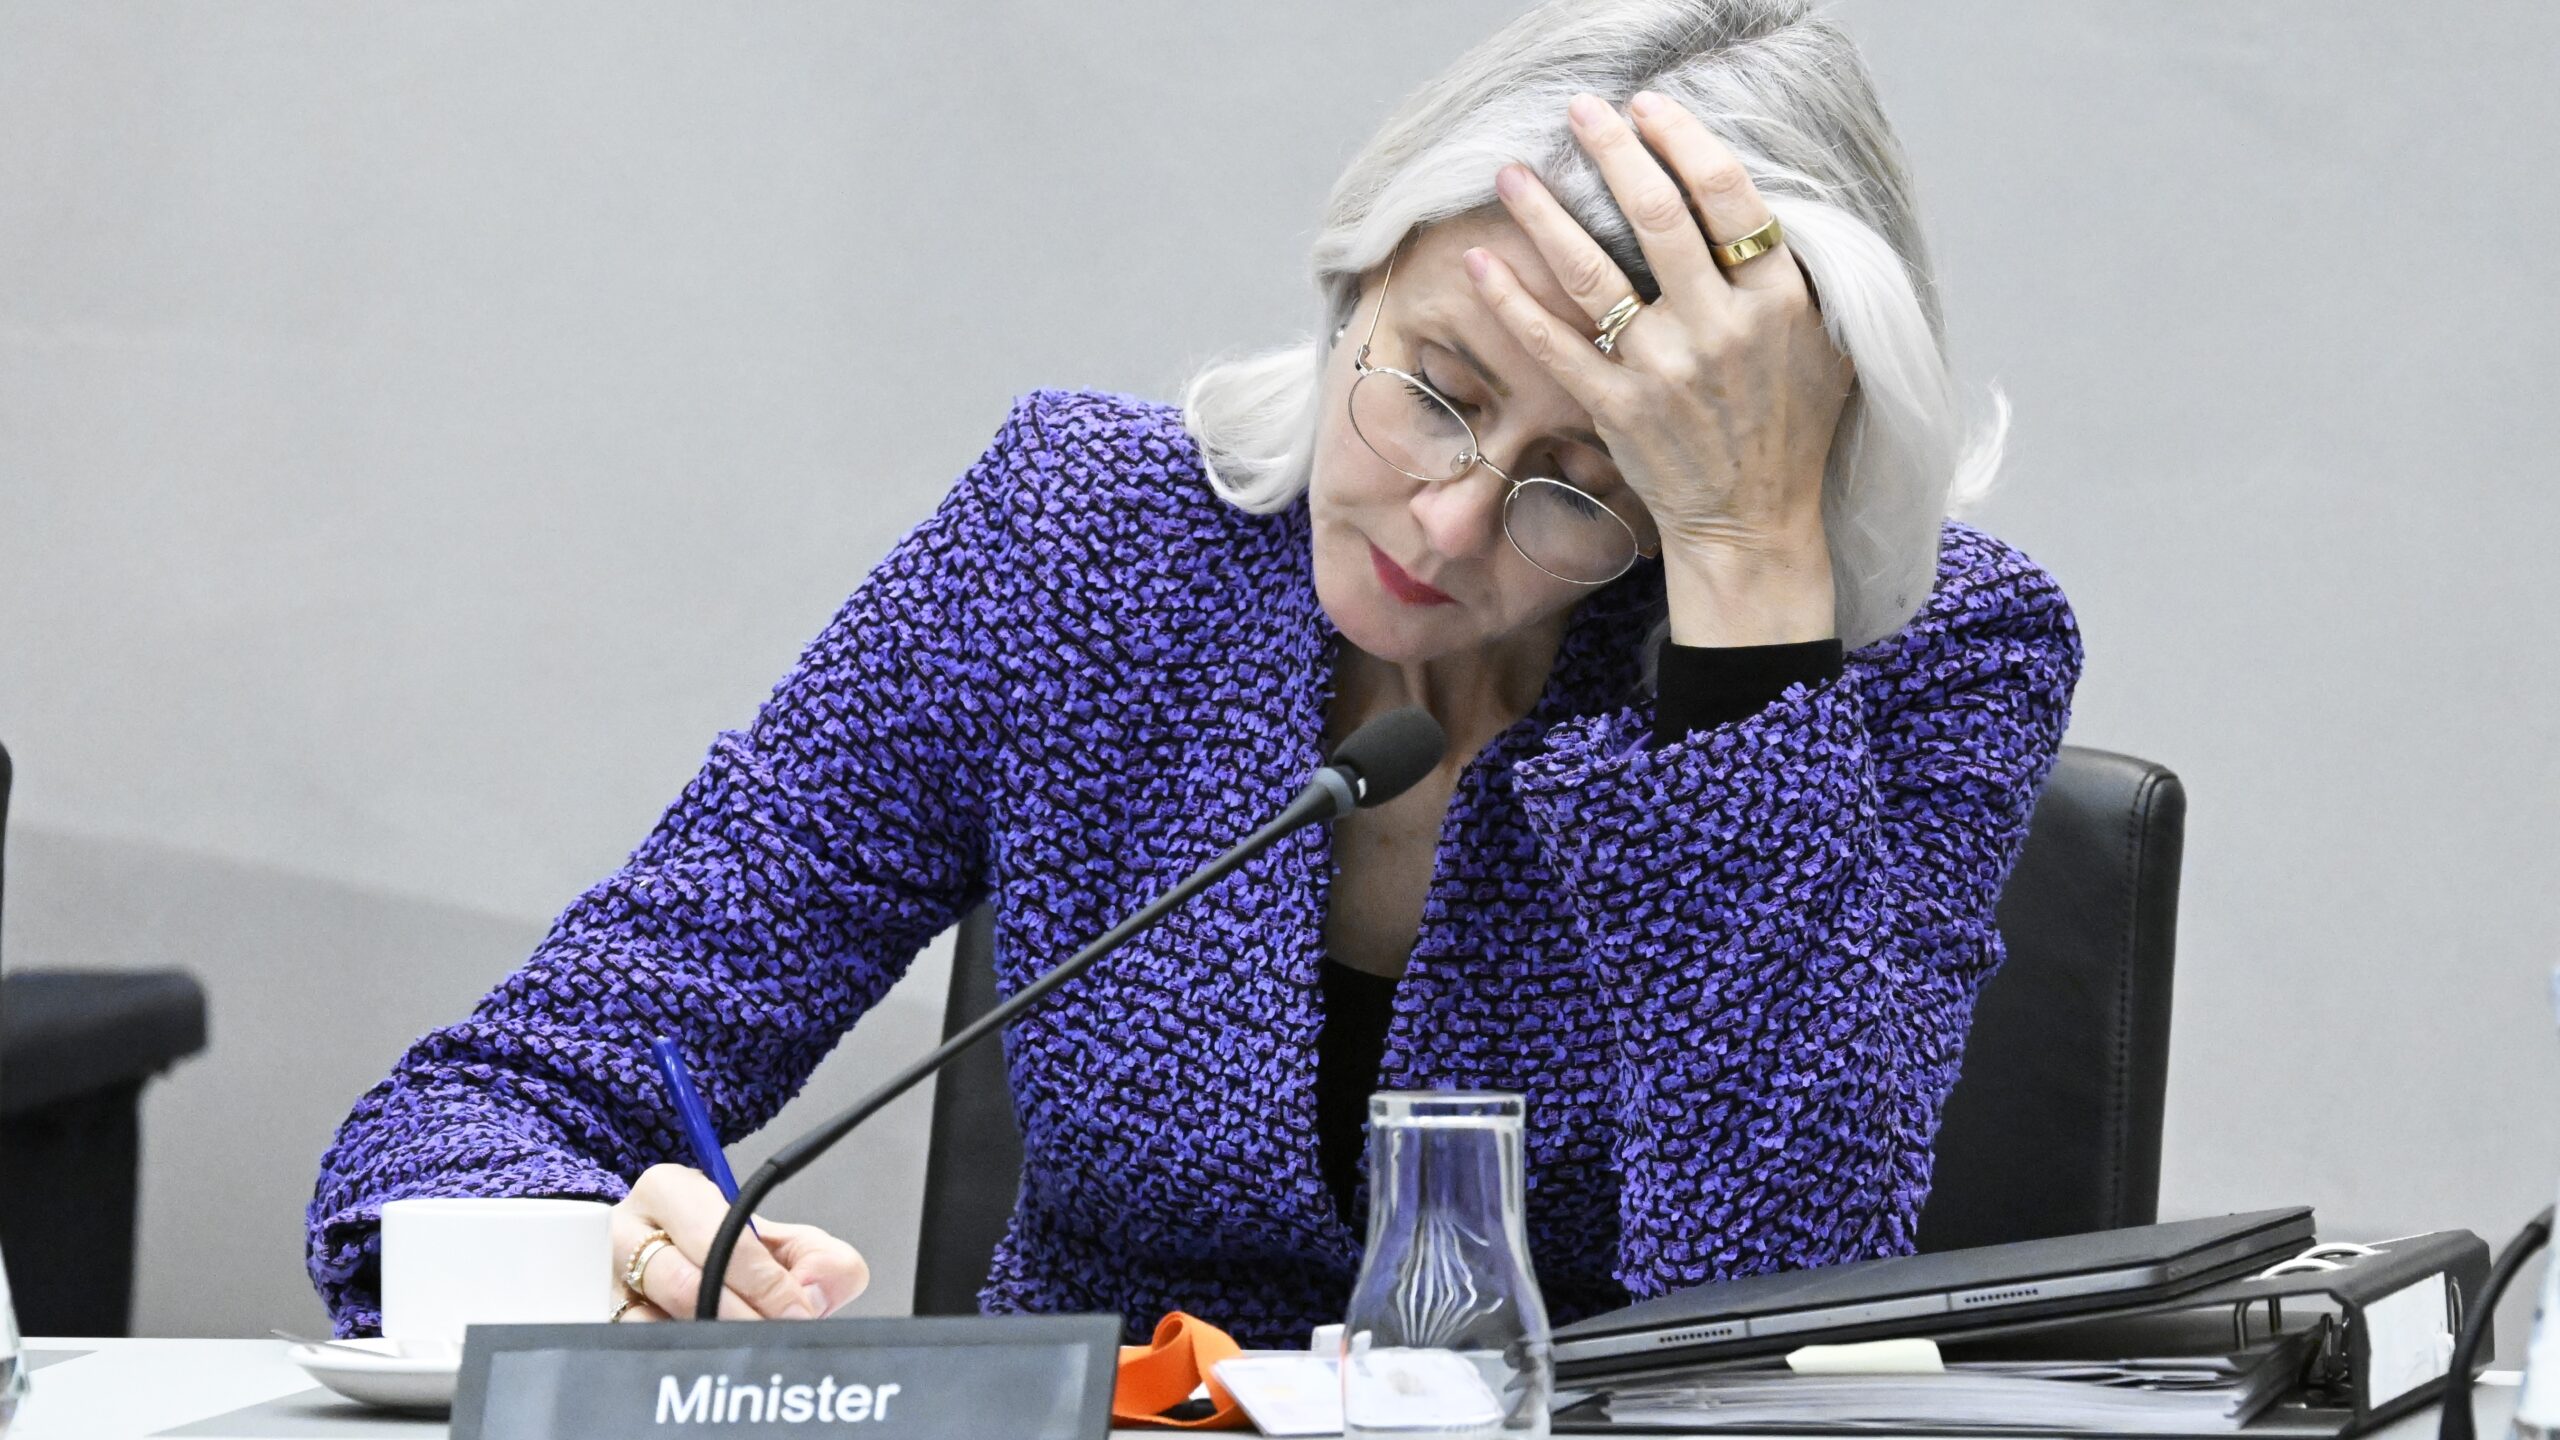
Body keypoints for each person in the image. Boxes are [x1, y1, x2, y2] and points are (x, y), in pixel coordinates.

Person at [307, 0, 2082, 1348]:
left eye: (1580, 490)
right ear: (1357, 272)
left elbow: (1778, 1322)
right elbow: (482, 1109)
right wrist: (590, 1254)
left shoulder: (1922, 670)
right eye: (1439, 387)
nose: (1452, 530)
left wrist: (1750, 586)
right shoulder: (1086, 540)